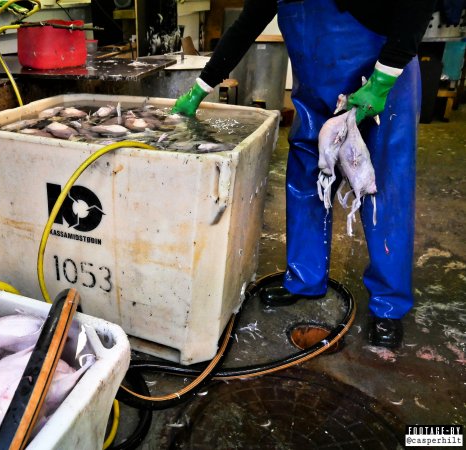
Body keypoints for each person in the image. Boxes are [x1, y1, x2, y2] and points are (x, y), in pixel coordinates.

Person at [173, 0, 435, 349]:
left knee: (382, 187)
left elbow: (416, 7)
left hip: (380, 77)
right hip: (316, 88)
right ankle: (306, 278)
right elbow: (247, 25)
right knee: (307, 178)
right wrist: (201, 87)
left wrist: (383, 79)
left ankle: (389, 305)